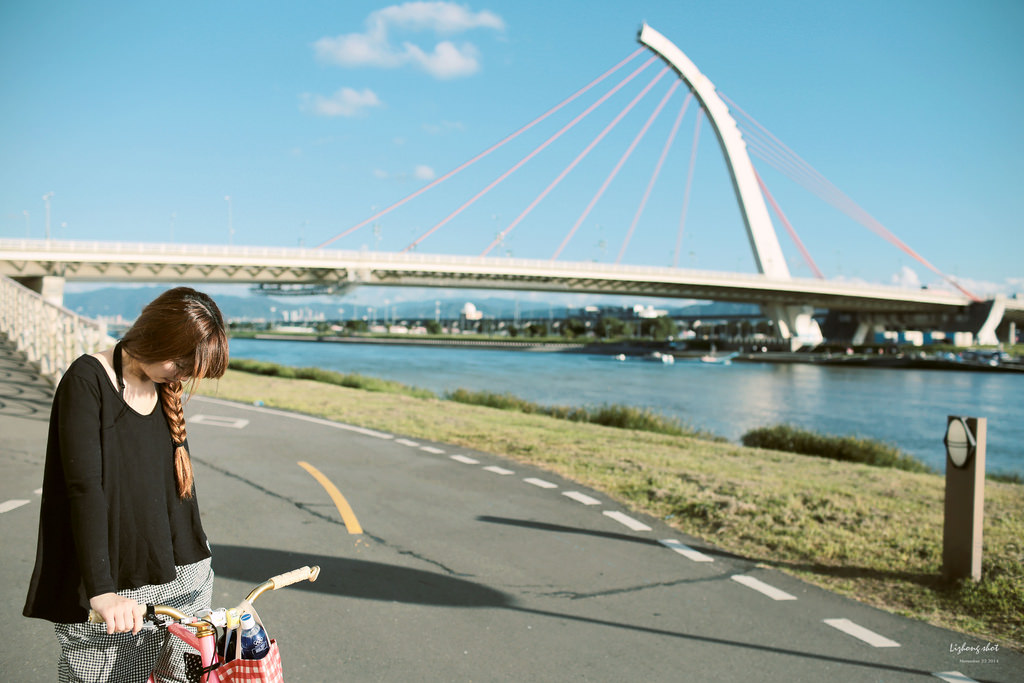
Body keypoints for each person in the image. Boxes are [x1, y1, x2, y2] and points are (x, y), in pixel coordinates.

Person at [23, 286, 229, 683]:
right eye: (182, 363)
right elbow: (83, 490)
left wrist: (201, 559)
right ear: (157, 336)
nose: (184, 376)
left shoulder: (164, 386)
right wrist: (101, 591)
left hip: (186, 577)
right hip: (118, 587)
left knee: (184, 678)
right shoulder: (87, 380)